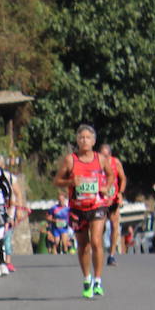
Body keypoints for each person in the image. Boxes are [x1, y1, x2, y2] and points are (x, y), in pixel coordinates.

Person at [54, 124, 114, 297]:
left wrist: (106, 187)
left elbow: (110, 175)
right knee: (83, 245)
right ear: (77, 140)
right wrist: (70, 182)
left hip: (97, 205)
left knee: (96, 241)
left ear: (94, 141)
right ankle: (87, 278)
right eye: (81, 137)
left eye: (88, 138)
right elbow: (57, 181)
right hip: (77, 208)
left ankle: (98, 280)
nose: (84, 140)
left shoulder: (101, 159)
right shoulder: (70, 160)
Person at [99, 143, 128, 266]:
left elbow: (123, 178)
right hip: (101, 200)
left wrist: (120, 193)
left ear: (110, 155)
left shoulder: (116, 163)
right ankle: (99, 250)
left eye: (106, 155)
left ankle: (111, 255)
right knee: (100, 227)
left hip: (114, 199)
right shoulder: (95, 163)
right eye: (101, 155)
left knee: (114, 225)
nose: (103, 158)